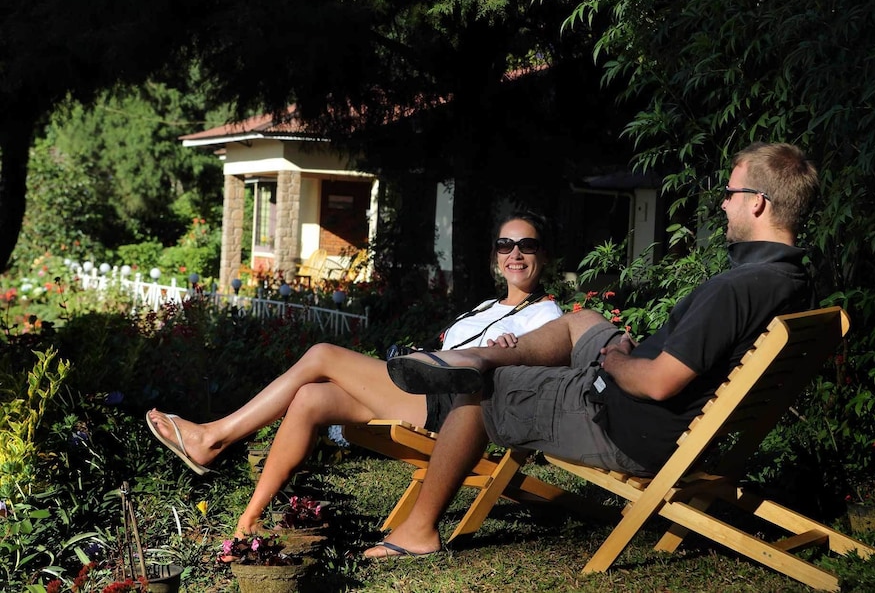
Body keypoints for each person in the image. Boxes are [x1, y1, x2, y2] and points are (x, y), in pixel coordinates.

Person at [374, 141, 819, 559]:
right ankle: (478, 354)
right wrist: (628, 354)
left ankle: (419, 530)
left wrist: (618, 360)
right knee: (581, 320)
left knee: (483, 388)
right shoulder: (795, 282)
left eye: (730, 193)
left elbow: (660, 383)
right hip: (660, 414)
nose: (723, 203)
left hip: (623, 420)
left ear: (757, 202)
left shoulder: (735, 289)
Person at [145, 211, 564, 539]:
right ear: (496, 255)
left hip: (456, 411)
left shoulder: (547, 315)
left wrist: (509, 355)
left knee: (322, 354)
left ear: (543, 256)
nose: (515, 254)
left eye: (527, 245)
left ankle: (214, 437)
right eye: (506, 244)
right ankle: (249, 521)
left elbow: (542, 371)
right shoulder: (485, 308)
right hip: (422, 388)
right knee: (310, 398)